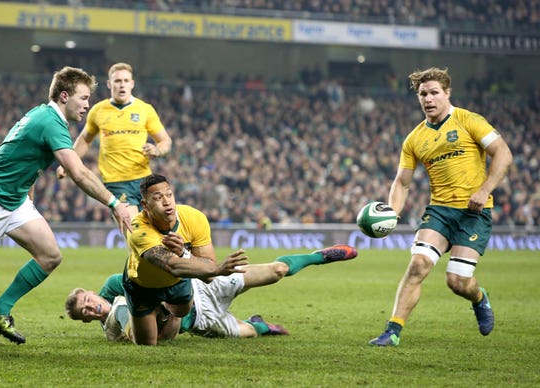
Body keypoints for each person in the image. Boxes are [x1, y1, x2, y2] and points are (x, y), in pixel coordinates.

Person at [0, 66, 133, 351]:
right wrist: (114, 204)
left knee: (50, 256)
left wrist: (30, 202)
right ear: (65, 96)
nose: (88, 104)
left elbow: (28, 162)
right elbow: (77, 172)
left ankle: (0, 310)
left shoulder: (44, 116)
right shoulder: (50, 122)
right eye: (84, 97)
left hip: (15, 202)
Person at [368, 67, 513, 347]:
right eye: (423, 94)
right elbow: (402, 182)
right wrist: (393, 213)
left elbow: (503, 153)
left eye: (434, 92)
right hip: (440, 211)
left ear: (447, 94)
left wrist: (484, 190)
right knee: (417, 265)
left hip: (474, 214)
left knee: (457, 282)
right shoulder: (414, 139)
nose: (428, 98)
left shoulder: (468, 120)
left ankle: (479, 298)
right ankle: (393, 331)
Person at [65, 243, 357, 340]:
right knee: (250, 333)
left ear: (92, 292)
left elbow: (148, 278)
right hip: (201, 320)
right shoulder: (113, 331)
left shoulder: (117, 284)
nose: (92, 308)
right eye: (86, 312)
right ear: (87, 320)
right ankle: (261, 323)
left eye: (88, 301)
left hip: (204, 284)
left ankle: (319, 256)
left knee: (276, 272)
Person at [122, 173, 256, 345]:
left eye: (169, 194)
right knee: (147, 344)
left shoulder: (194, 218)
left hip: (176, 281)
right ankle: (125, 313)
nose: (166, 201)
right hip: (142, 285)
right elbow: (173, 265)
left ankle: (162, 309)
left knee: (181, 312)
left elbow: (208, 276)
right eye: (158, 197)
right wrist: (218, 268)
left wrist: (208, 266)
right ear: (144, 205)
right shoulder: (138, 229)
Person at [56, 62, 172, 220]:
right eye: (117, 81)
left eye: (125, 81)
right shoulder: (98, 110)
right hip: (116, 182)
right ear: (110, 84)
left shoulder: (145, 109)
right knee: (134, 229)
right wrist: (68, 163)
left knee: (159, 229)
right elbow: (85, 139)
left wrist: (158, 150)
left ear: (132, 84)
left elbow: (165, 141)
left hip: (144, 180)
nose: (122, 85)